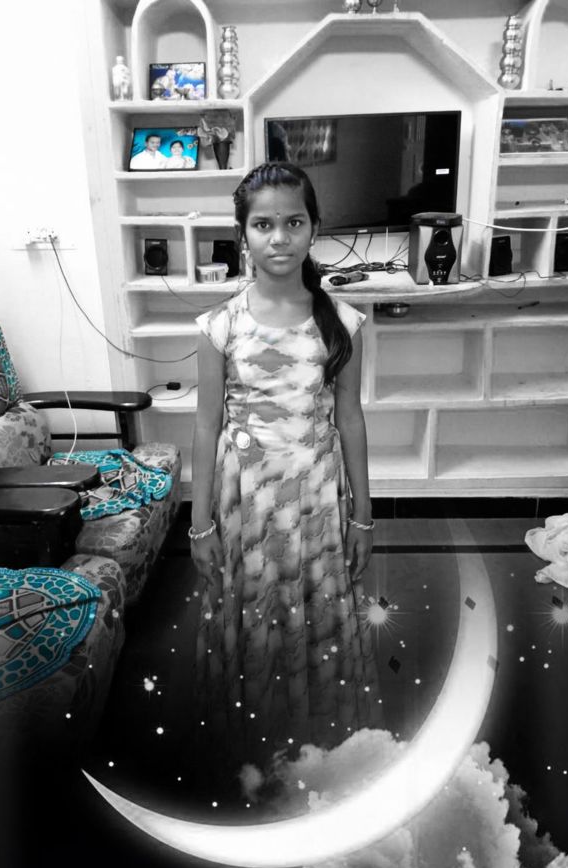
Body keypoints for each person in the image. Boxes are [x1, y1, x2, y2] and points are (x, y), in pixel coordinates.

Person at [190, 161, 381, 772]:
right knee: (251, 607)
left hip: (316, 499)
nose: (280, 238)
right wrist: (198, 524)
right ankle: (251, 728)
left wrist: (363, 516)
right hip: (244, 500)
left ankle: (316, 727)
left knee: (315, 607)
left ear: (314, 228)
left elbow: (350, 418)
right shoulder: (219, 326)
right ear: (242, 234)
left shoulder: (343, 323)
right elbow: (205, 424)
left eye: (294, 223)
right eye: (264, 224)